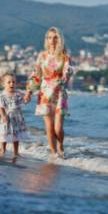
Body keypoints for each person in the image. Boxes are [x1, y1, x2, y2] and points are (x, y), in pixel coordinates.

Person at [24, 27, 72, 159]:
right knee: (49, 128)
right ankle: (54, 154)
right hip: (45, 93)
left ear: (60, 39)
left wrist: (66, 76)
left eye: (55, 37)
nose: (52, 40)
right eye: (49, 37)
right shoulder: (42, 56)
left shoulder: (65, 56)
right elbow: (36, 75)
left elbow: (68, 70)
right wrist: (28, 91)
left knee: (58, 128)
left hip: (59, 93)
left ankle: (60, 145)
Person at [0, 72, 29, 159]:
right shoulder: (2, 95)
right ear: (3, 84)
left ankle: (16, 152)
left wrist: (28, 95)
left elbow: (25, 101)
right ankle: (3, 149)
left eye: (13, 82)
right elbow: (0, 107)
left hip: (17, 118)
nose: (12, 84)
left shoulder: (18, 94)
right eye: (9, 82)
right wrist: (3, 116)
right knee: (4, 134)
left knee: (16, 135)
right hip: (7, 117)